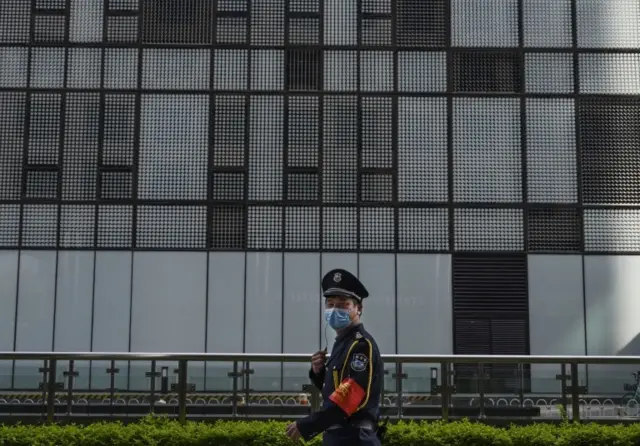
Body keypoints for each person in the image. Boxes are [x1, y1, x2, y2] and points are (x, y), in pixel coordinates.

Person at [285, 268, 385, 445]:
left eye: (342, 304)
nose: (334, 309)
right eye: (330, 304)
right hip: (340, 437)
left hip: (354, 437)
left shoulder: (361, 345)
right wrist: (319, 373)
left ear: (358, 308)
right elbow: (337, 390)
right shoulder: (343, 343)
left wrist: (307, 424)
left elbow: (349, 397)